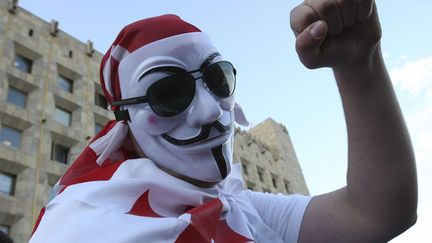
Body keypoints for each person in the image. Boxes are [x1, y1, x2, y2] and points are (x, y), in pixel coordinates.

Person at [30, 0, 417, 242]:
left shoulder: (236, 207)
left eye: (218, 80)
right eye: (168, 95)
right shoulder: (80, 229)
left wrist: (360, 63)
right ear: (124, 124)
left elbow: (376, 214)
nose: (211, 111)